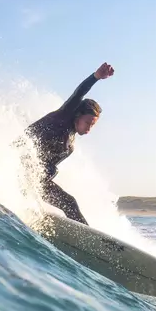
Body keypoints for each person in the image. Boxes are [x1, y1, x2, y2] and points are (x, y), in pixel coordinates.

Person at [27, 62, 114, 224]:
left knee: (70, 203)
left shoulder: (70, 144)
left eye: (93, 125)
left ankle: (89, 238)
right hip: (19, 163)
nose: (89, 128)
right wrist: (96, 77)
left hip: (33, 177)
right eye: (88, 122)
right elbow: (79, 93)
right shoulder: (62, 118)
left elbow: (46, 169)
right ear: (77, 116)